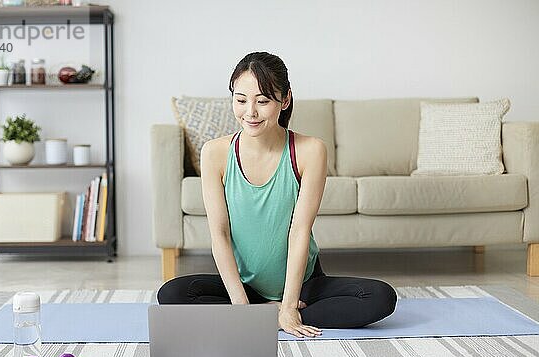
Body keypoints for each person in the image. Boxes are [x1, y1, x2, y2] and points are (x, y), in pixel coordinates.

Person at [157, 51, 397, 338]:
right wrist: (241, 306)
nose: (250, 113)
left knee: (381, 297)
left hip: (303, 284)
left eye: (263, 101)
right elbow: (219, 233)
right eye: (241, 100)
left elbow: (300, 232)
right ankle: (262, 311)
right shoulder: (215, 153)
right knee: (171, 294)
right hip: (244, 285)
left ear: (285, 100)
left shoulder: (310, 151)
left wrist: (287, 306)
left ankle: (279, 313)